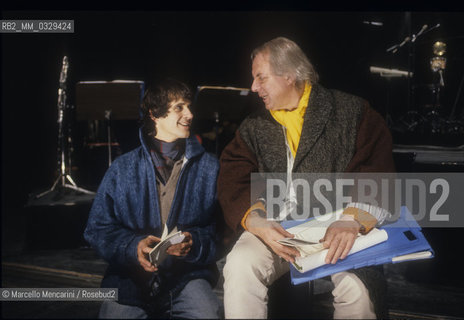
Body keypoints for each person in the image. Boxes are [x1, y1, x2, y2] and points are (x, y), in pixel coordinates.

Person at [217, 37, 395, 319]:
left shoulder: (352, 112)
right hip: (277, 229)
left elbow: (377, 173)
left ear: (289, 74)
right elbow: (233, 176)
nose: (253, 88)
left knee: (357, 289)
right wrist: (256, 220)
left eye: (261, 77)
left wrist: (352, 219)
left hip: (338, 226)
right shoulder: (254, 126)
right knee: (239, 265)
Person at [84, 79, 221, 319]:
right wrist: (132, 247)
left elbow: (221, 230)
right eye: (179, 107)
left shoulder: (210, 167)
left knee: (208, 314)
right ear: (154, 114)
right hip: (129, 280)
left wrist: (195, 243)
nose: (189, 114)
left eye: (189, 107)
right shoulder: (122, 168)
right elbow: (98, 229)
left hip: (186, 277)